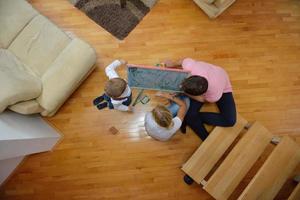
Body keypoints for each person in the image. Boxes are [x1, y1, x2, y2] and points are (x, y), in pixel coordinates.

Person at [165, 58, 236, 141]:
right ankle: (205, 136)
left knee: (230, 121)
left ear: (199, 94)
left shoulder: (214, 95)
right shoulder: (192, 66)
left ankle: (197, 125)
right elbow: (182, 61)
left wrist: (184, 92)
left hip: (222, 88)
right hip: (216, 75)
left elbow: (202, 99)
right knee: (190, 115)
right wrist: (172, 64)